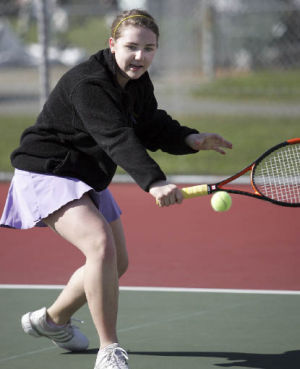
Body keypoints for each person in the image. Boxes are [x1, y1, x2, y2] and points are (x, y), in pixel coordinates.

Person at [0, 8, 232, 369]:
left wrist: (190, 138)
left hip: (86, 172)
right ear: (112, 45)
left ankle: (52, 321)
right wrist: (154, 182)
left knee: (116, 262)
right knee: (100, 246)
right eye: (132, 47)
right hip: (48, 171)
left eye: (149, 48)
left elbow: (149, 122)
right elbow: (117, 137)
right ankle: (110, 350)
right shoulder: (89, 84)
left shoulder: (137, 81)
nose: (140, 56)